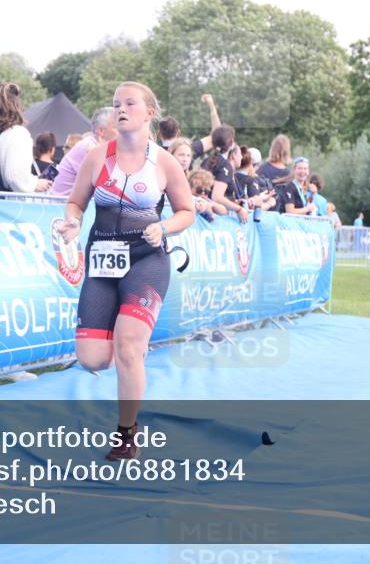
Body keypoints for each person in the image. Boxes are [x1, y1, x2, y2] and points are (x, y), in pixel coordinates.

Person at [56, 82, 194, 461]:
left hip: (147, 260)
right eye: (116, 103)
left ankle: (126, 434)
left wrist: (164, 227)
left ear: (149, 113)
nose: (120, 109)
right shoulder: (97, 157)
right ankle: (130, 350)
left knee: (128, 346)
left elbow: (187, 211)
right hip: (102, 260)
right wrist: (72, 222)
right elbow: (75, 202)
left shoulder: (163, 161)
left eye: (130, 103)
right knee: (92, 359)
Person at [0, 82, 53, 193]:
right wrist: (35, 184)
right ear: (16, 105)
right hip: (5, 202)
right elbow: (15, 177)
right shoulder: (18, 134)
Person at [51, 107, 117, 196]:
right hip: (62, 203)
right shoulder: (89, 147)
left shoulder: (96, 146)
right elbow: (108, 186)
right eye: (117, 127)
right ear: (101, 131)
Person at [204, 128, 249, 223]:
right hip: (214, 218)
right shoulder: (225, 165)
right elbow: (216, 197)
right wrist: (239, 209)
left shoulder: (206, 160)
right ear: (231, 143)